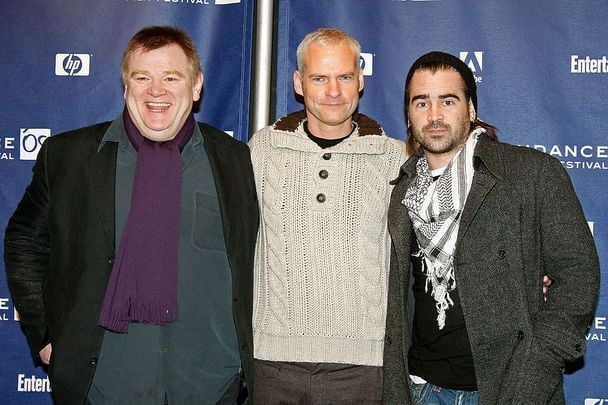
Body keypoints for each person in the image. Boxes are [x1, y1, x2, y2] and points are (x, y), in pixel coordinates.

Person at [4, 26, 258, 404]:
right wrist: (43, 335)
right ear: (126, 86)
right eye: (143, 77)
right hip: (103, 384)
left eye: (171, 77)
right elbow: (24, 241)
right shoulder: (69, 158)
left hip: (210, 383)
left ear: (197, 85)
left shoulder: (235, 160)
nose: (157, 91)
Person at [383, 51, 600, 404]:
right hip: (420, 388)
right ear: (408, 115)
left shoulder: (530, 173)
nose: (434, 115)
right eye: (421, 103)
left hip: (507, 387)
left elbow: (578, 274)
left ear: (470, 110)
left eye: (447, 101)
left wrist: (538, 365)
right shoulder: (405, 189)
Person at [248, 28, 406, 403]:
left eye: (344, 77)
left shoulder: (394, 158)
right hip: (273, 363)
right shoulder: (262, 151)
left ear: (360, 80)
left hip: (365, 367)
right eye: (319, 78)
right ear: (299, 83)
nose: (333, 91)